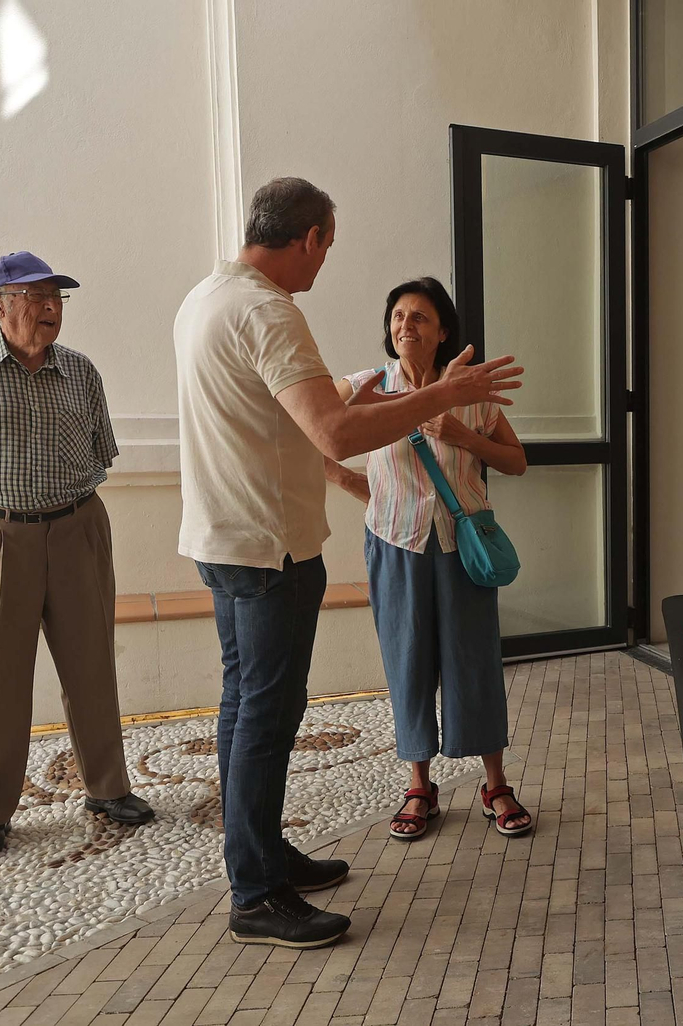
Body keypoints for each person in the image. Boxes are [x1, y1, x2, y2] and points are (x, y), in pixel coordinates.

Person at [173, 178, 522, 949]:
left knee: (244, 707)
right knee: (265, 715)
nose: (322, 267)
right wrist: (444, 397)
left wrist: (426, 402)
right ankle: (257, 892)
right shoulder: (270, 310)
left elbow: (283, 417)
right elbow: (333, 436)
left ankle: (265, 856)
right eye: (326, 247)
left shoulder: (204, 297)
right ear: (310, 239)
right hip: (269, 547)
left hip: (222, 537)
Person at [0, 252, 156, 863]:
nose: (49, 310)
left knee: (92, 663)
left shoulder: (80, 371)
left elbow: (100, 449)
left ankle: (108, 788)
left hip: (78, 527)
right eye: (35, 297)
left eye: (57, 299)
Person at [329, 278, 531, 845]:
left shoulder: (470, 391)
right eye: (397, 316)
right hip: (395, 543)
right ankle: (419, 785)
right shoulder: (365, 389)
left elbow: (516, 462)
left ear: (444, 332)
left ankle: (494, 784)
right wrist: (349, 483)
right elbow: (313, 429)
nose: (405, 326)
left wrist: (465, 435)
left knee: (474, 662)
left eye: (419, 317)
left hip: (460, 544)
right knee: (407, 661)